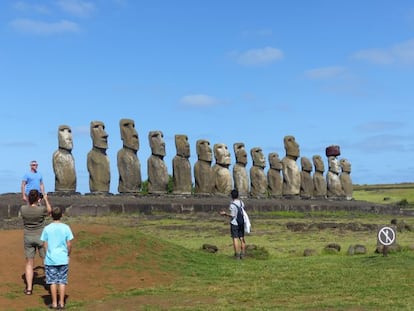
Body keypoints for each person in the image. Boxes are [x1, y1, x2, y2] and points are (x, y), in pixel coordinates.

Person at [41, 206, 74, 310]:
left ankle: (54, 303)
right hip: (62, 258)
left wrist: (48, 254)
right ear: (62, 215)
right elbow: (69, 244)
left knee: (52, 281)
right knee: (62, 281)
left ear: (51, 215)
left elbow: (44, 244)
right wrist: (68, 254)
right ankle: (62, 303)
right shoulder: (66, 227)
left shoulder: (47, 228)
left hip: (51, 259)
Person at [20, 190, 52, 295]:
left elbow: (27, 207)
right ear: (38, 198)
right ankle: (49, 283)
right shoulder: (41, 209)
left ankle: (29, 288)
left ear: (29, 198)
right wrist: (46, 199)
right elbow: (49, 211)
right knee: (45, 261)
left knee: (29, 263)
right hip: (41, 237)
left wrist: (32, 200)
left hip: (28, 237)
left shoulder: (23, 209)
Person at [220, 189, 246, 259]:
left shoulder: (232, 205)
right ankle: (243, 254)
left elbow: (232, 215)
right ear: (238, 195)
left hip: (234, 223)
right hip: (241, 222)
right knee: (242, 238)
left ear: (232, 196)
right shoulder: (241, 202)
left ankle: (237, 255)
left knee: (235, 238)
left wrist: (225, 214)